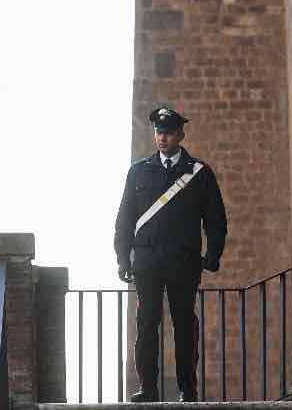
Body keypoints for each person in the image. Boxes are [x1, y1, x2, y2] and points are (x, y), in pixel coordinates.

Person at [114, 106, 228, 402]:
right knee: (147, 324)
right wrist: (122, 258)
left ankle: (187, 389)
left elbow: (215, 218)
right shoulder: (139, 171)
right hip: (148, 262)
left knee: (184, 326)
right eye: (158, 132)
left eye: (168, 133)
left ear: (180, 134)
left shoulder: (198, 173)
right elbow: (125, 218)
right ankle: (148, 388)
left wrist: (213, 254)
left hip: (183, 260)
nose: (162, 138)